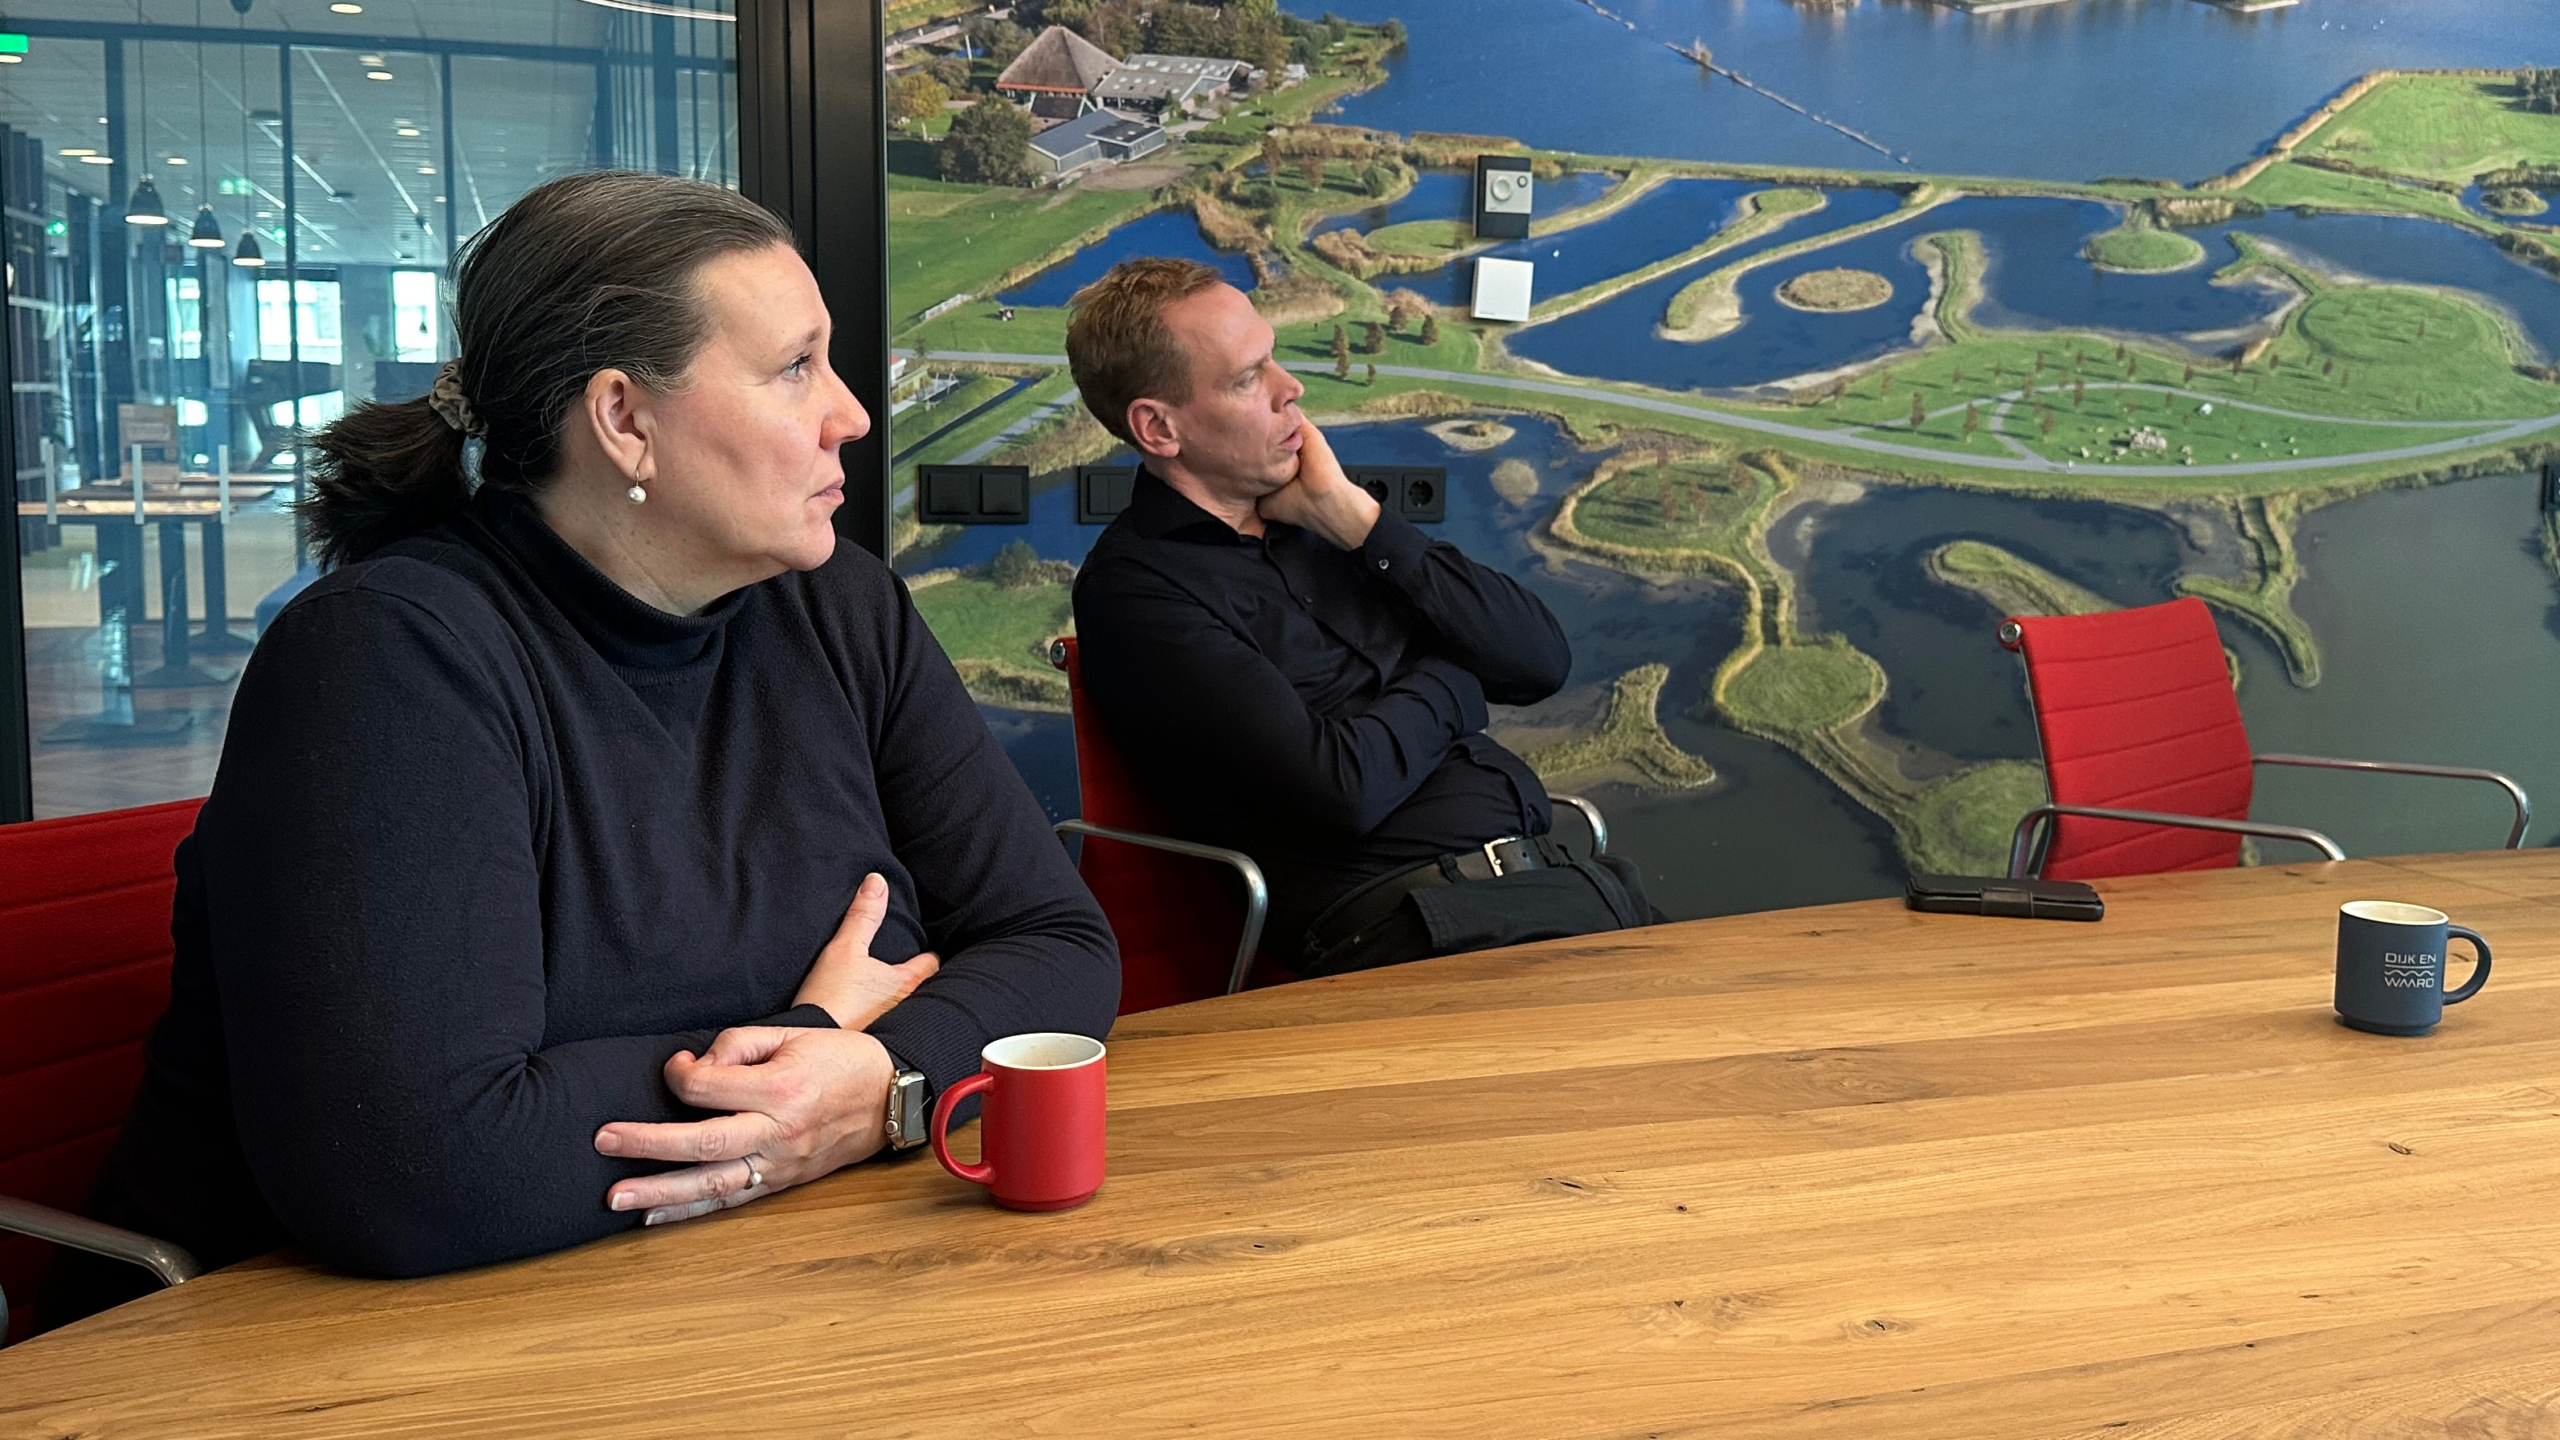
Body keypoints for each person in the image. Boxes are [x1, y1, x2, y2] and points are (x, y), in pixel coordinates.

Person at [42, 172, 1117, 1327]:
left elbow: (1057, 945)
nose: (849, 413)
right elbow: (418, 1171)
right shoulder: (387, 662)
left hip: (718, 1303)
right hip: (286, 1354)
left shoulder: (839, 609)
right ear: (622, 418)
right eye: (794, 367)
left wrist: (881, 1080)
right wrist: (812, 1046)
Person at [1065, 258, 1657, 978]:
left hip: (1556, 890)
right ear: (1159, 428)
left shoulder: (1325, 523)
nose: (1294, 389)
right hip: (1405, 934)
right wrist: (1452, 681)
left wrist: (1360, 520)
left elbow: (1538, 663)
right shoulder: (1138, 593)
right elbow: (1342, 789)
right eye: (1249, 378)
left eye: (1274, 357)